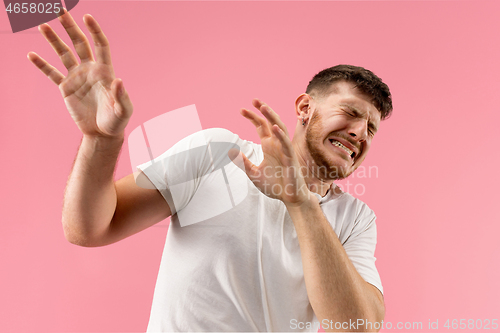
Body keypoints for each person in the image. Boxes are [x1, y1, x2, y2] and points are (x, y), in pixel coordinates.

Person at [28, 9, 393, 333]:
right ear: (304, 107)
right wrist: (100, 140)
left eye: (372, 129)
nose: (360, 132)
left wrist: (301, 202)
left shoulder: (356, 219)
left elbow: (355, 328)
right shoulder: (217, 153)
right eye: (351, 112)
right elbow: (88, 229)